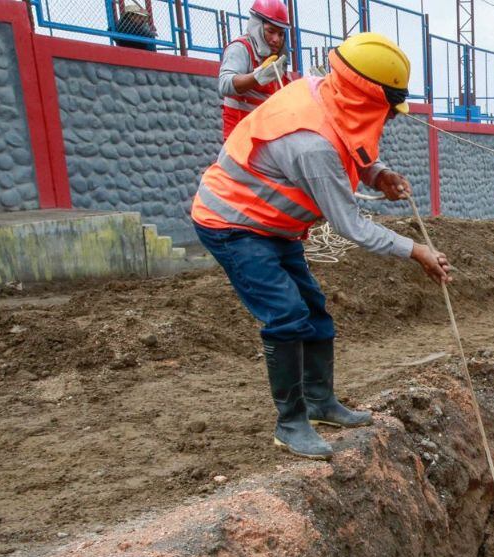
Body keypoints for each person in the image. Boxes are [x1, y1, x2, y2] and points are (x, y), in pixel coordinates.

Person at [190, 32, 451, 461]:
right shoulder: (312, 144)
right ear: (367, 98)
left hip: (275, 226)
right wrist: (416, 250)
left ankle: (320, 402)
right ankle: (290, 424)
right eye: (388, 109)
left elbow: (350, 139)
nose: (389, 119)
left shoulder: (323, 91)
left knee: (313, 309)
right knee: (287, 315)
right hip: (233, 223)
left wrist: (377, 173)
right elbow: (352, 226)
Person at [218, 0, 292, 139]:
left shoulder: (277, 58)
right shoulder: (241, 49)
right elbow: (224, 84)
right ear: (256, 26)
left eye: (281, 34)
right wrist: (256, 77)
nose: (276, 39)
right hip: (240, 139)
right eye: (271, 31)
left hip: (267, 138)